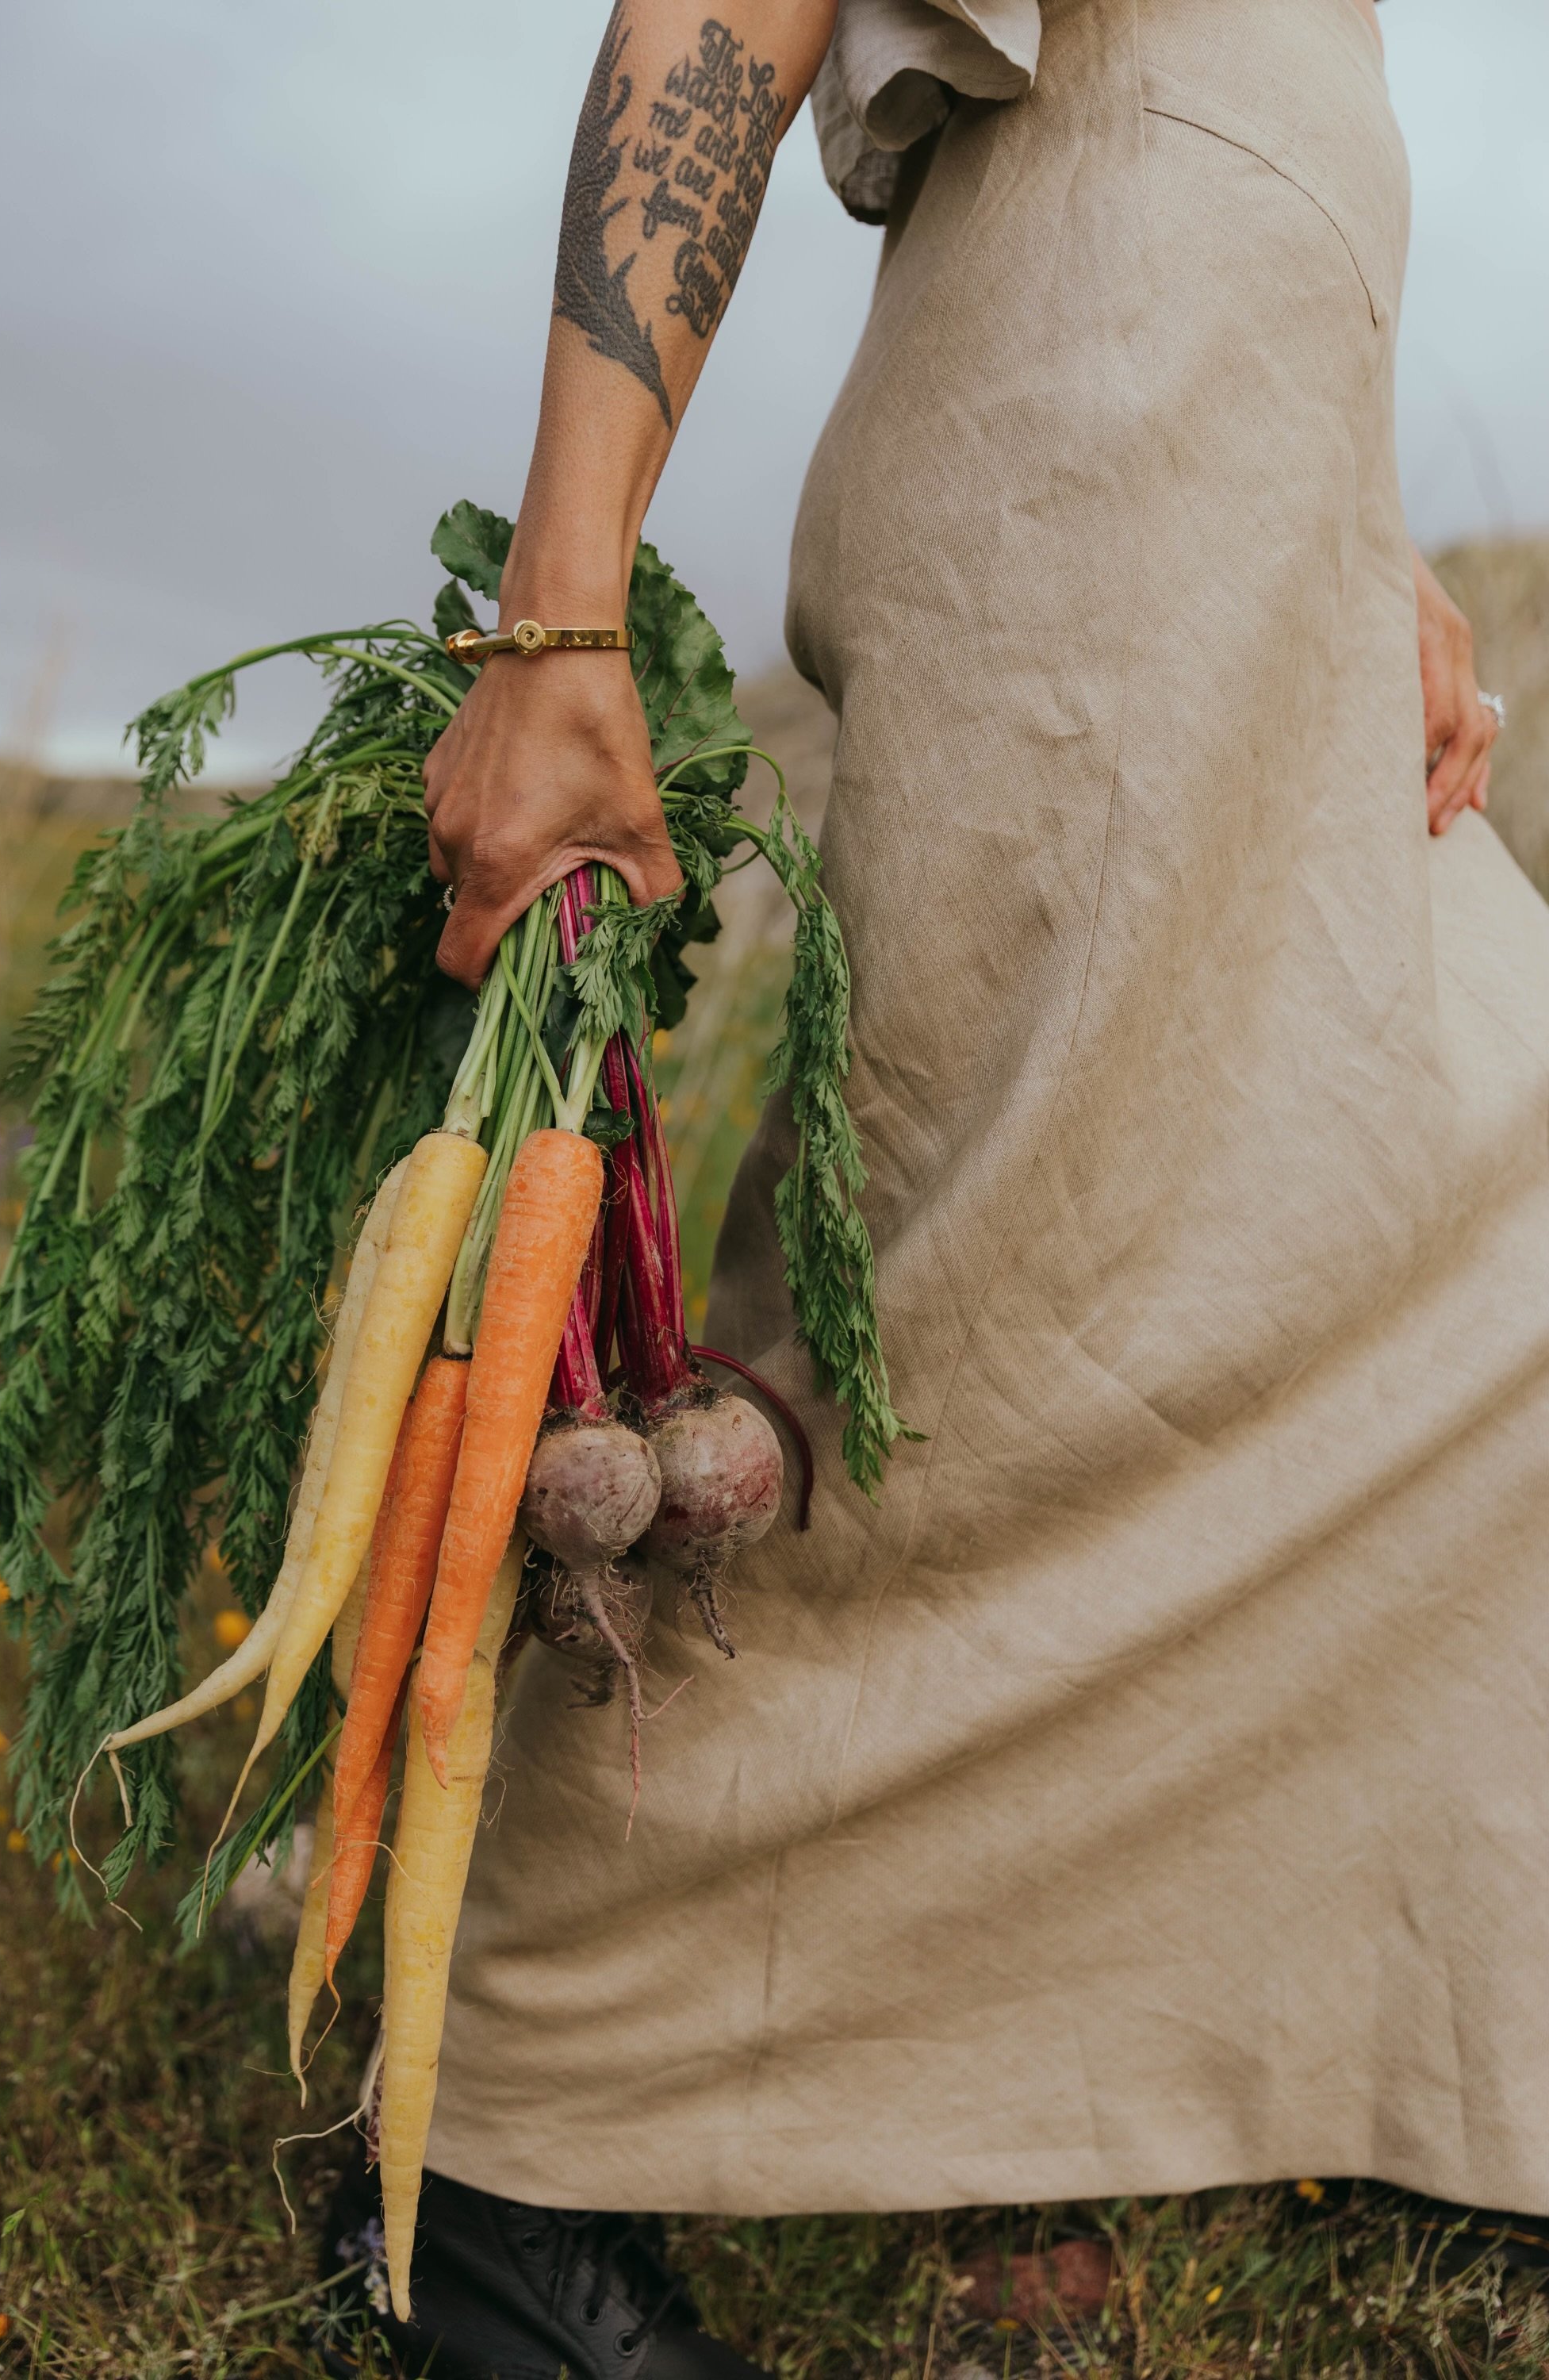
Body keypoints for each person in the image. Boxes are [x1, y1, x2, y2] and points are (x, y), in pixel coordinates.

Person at [320, 0, 1545, 2371]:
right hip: (1086, 579)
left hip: (1258, 582)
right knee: (957, 1396)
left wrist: (1367, 543)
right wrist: (558, 609)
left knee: (1458, 1252)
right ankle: (489, 2143)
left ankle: (1388, 2040)